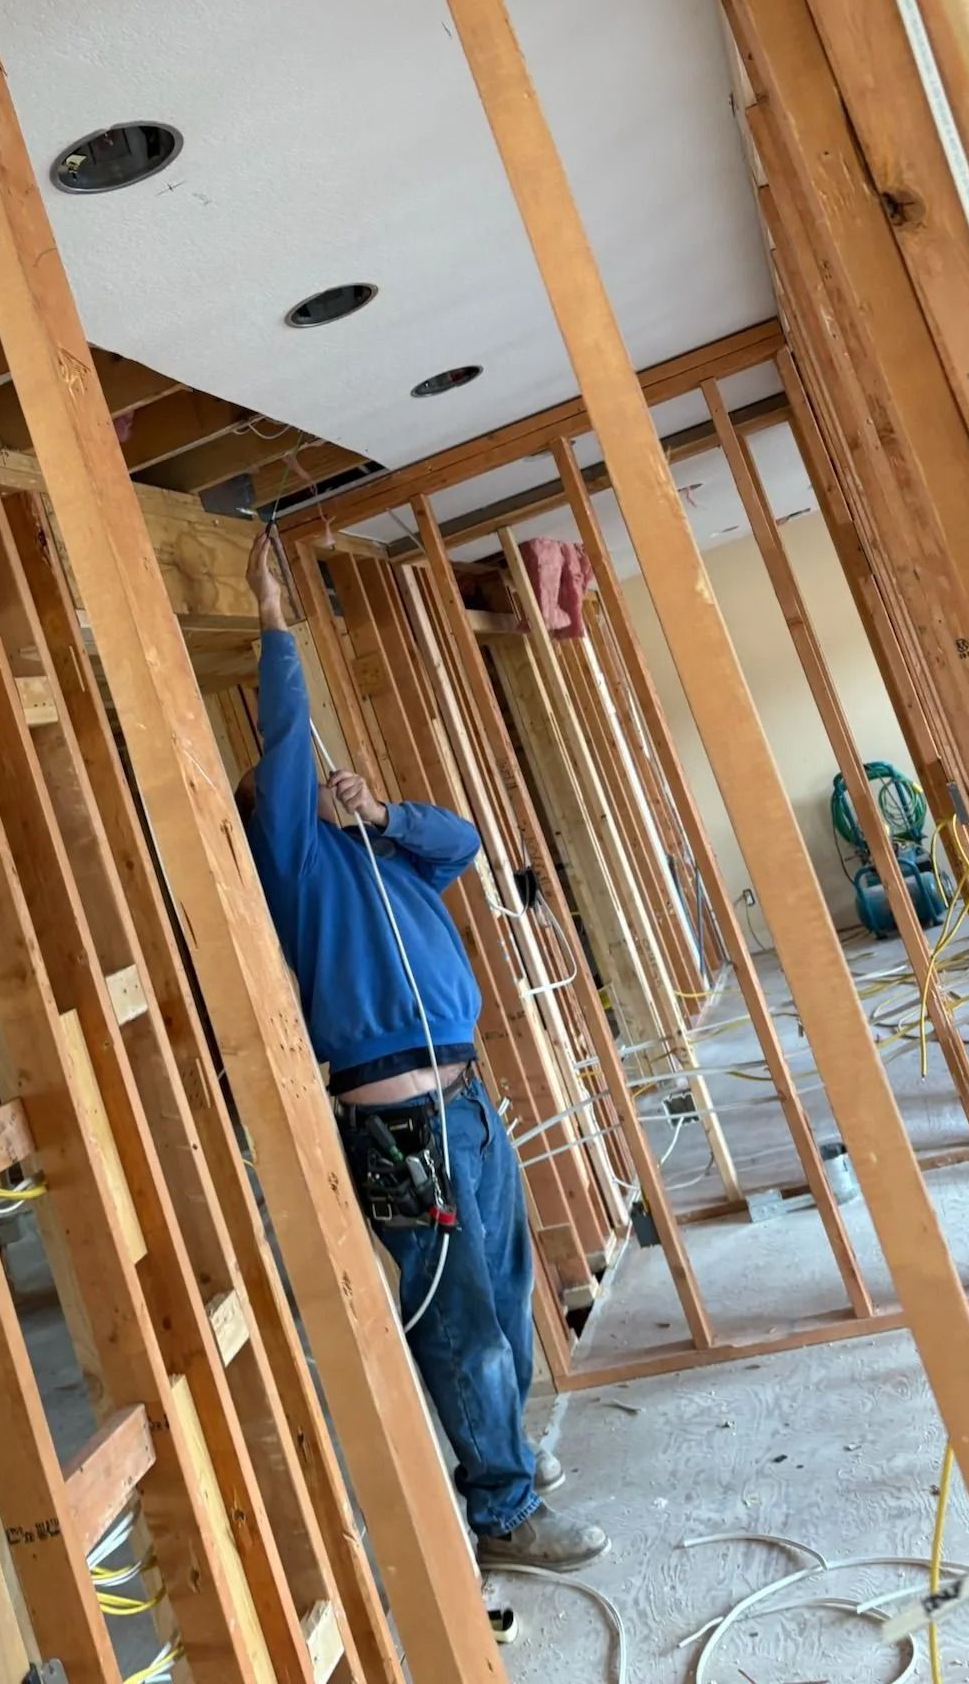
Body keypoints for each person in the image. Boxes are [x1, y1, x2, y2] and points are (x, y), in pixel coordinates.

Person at [234, 533, 608, 1574]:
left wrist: (385, 809)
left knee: (505, 1281)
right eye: (281, 783)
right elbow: (291, 739)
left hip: (469, 1109)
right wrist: (276, 621)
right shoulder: (295, 872)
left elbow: (463, 842)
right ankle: (503, 1509)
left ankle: (509, 1459)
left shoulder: (383, 856)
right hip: (402, 1128)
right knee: (459, 1317)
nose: (296, 785)